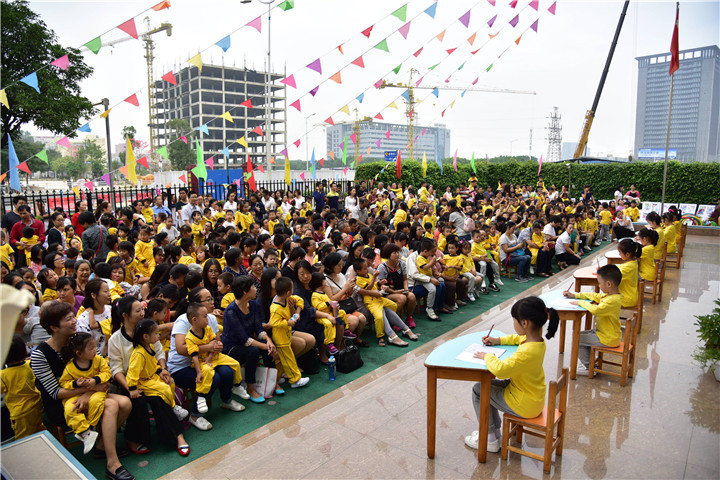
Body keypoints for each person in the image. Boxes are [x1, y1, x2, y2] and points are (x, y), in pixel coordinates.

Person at [31, 302, 134, 480]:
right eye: (68, 319)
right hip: (65, 405)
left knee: (125, 403)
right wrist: (91, 390)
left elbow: (102, 368)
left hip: (92, 393)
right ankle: (112, 463)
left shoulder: (80, 340)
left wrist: (90, 390)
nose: (74, 321)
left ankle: (102, 445)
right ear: (54, 327)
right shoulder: (40, 355)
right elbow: (55, 392)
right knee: (111, 405)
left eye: (73, 316)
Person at [465, 296, 559, 453]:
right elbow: (517, 338)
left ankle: (490, 438)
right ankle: (493, 433)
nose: (513, 323)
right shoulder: (536, 341)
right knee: (484, 386)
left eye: (514, 319)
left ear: (524, 323)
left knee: (479, 390)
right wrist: (497, 341)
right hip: (531, 395)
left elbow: (501, 370)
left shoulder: (527, 351)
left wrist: (487, 356)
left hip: (523, 403)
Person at [126, 319, 191, 457]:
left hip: (151, 377)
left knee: (169, 384)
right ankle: (174, 409)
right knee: (161, 391)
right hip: (142, 383)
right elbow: (132, 373)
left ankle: (174, 411)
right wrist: (132, 389)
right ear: (145, 336)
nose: (158, 336)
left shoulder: (150, 348)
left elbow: (152, 366)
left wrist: (161, 372)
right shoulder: (138, 353)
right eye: (156, 333)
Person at [222, 275, 276, 403]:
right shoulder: (231, 311)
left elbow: (259, 329)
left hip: (248, 343)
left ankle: (273, 381)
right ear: (245, 291)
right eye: (253, 287)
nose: (255, 289)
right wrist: (267, 346)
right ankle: (251, 387)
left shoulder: (252, 304)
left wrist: (268, 340)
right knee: (254, 351)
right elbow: (244, 339)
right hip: (232, 348)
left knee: (266, 344)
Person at [184, 302, 246, 413]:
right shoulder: (189, 338)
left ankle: (237, 386)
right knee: (207, 372)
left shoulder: (207, 329)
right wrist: (198, 371)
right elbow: (194, 356)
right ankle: (201, 397)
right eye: (204, 316)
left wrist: (211, 355)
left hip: (215, 357)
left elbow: (214, 344)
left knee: (235, 364)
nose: (207, 319)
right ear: (194, 320)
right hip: (201, 361)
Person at [564, 264, 623, 375]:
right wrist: (576, 295)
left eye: (600, 283)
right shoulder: (610, 295)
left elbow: (596, 310)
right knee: (579, 334)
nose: (599, 286)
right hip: (607, 334)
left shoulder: (612, 301)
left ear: (609, 284)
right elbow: (594, 296)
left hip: (608, 338)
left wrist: (580, 302)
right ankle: (589, 362)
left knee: (578, 338)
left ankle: (588, 367)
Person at [59, 333, 111, 454]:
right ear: (79, 353)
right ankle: (85, 432)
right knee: (69, 408)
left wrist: (96, 380)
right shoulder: (70, 367)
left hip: (97, 390)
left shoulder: (98, 360)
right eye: (91, 348)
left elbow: (107, 372)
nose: (95, 350)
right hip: (76, 394)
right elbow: (64, 382)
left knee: (96, 402)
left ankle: (90, 426)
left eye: (95, 347)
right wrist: (76, 384)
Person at [269, 277, 310, 389]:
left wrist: (297, 311)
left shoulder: (288, 299)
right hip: (280, 338)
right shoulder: (275, 307)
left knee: (281, 360)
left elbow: (299, 300)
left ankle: (276, 378)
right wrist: (287, 322)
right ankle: (295, 379)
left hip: (286, 335)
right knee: (288, 358)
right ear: (288, 292)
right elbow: (274, 322)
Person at [1, 335, 44, 440]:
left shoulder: (3, 375)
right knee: (38, 428)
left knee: (24, 438)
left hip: (20, 412)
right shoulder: (30, 364)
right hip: (37, 403)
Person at [616, 238, 642, 308]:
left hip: (626, 298)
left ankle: (610, 318)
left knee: (603, 300)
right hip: (628, 296)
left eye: (620, 253)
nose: (619, 255)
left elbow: (613, 275)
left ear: (627, 254)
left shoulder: (629, 267)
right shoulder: (633, 262)